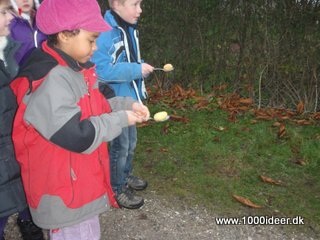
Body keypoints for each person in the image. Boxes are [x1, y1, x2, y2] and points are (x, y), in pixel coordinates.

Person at [10, 0, 150, 239]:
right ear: (65, 35)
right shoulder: (51, 79)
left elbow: (98, 102)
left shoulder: (76, 68)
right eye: (91, 40)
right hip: (63, 196)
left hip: (78, 186)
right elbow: (77, 136)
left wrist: (128, 105)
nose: (95, 48)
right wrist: (120, 119)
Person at [91, 0, 154, 209]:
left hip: (129, 96)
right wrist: (136, 70)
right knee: (121, 146)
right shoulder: (104, 32)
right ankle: (116, 188)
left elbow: (129, 58)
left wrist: (140, 73)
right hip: (115, 101)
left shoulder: (127, 27)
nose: (140, 10)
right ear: (117, 5)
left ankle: (125, 175)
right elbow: (101, 70)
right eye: (135, 4)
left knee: (131, 143)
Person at [0, 1, 44, 239]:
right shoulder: (12, 29)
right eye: (3, 11)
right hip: (11, 116)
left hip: (28, 108)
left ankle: (29, 218)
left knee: (26, 171)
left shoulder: (41, 20)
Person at [9, 0, 46, 65]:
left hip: (46, 71)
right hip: (20, 73)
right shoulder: (8, 24)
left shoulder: (43, 19)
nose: (25, 0)